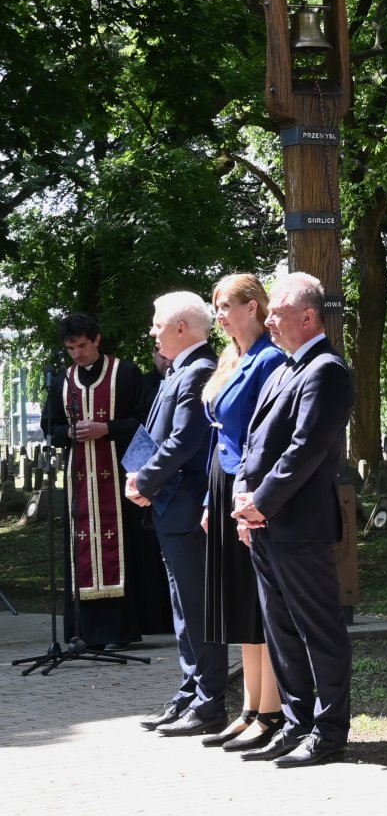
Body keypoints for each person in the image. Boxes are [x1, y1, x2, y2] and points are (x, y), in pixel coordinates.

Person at [233, 272, 356, 768]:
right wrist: (244, 499)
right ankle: (296, 721)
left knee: (317, 630)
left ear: (308, 316)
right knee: (281, 629)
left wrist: (261, 501)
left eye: (278, 314)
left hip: (300, 524)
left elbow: (306, 449)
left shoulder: (327, 369)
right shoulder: (284, 368)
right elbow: (253, 444)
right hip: (265, 524)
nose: (269, 322)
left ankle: (329, 730)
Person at [126, 292, 225, 737]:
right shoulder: (177, 370)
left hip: (186, 508)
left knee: (196, 610)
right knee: (183, 610)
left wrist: (143, 482)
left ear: (181, 327)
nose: (152, 331)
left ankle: (208, 703)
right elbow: (154, 433)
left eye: (157, 323)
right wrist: (135, 475)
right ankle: (189, 693)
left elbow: (184, 440)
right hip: (170, 508)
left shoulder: (200, 369)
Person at [198, 275, 287, 752]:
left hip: (248, 484)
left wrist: (248, 494)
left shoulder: (269, 358)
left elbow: (262, 436)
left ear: (252, 307)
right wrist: (210, 499)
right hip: (223, 483)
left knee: (258, 601)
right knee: (239, 600)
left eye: (225, 306)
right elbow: (219, 434)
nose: (219, 315)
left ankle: (271, 709)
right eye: (215, 307)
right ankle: (251, 706)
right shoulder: (232, 358)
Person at [44, 312, 167, 652]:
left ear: (97, 339)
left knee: (124, 550)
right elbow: (50, 426)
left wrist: (106, 429)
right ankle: (84, 631)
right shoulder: (63, 381)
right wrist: (69, 432)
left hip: (119, 478)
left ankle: (121, 630)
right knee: (80, 551)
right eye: (71, 348)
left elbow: (146, 420)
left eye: (82, 346)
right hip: (80, 482)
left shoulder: (124, 373)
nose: (77, 354)